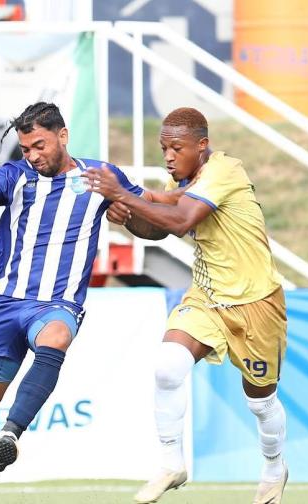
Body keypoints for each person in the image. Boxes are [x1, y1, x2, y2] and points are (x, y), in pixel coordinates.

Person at [0, 102, 144, 504]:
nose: (32, 155)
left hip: (57, 304)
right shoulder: (15, 176)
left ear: (62, 135)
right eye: (26, 149)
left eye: (39, 145)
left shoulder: (100, 177)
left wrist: (130, 216)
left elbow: (146, 220)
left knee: (56, 337)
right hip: (6, 303)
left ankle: (11, 433)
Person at [85, 107, 288, 504]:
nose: (169, 156)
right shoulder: (182, 179)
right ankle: (171, 462)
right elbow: (158, 227)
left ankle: (274, 466)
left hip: (256, 302)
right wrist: (126, 216)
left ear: (202, 145)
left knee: (261, 401)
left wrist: (123, 193)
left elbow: (180, 220)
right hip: (207, 297)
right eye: (164, 148)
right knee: (167, 366)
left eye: (176, 148)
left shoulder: (225, 170)